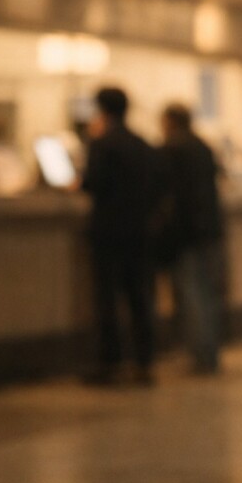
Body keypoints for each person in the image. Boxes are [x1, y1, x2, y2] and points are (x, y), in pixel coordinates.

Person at [80, 87, 159, 386]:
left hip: (108, 232)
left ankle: (110, 363)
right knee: (140, 298)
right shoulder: (142, 144)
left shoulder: (102, 144)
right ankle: (144, 362)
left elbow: (92, 183)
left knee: (107, 299)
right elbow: (158, 183)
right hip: (139, 232)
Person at [153, 104, 226, 375]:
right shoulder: (203, 146)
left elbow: (164, 192)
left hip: (186, 234)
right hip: (210, 230)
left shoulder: (171, 148)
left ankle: (200, 354)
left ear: (169, 121)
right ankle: (209, 352)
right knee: (208, 293)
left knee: (191, 292)